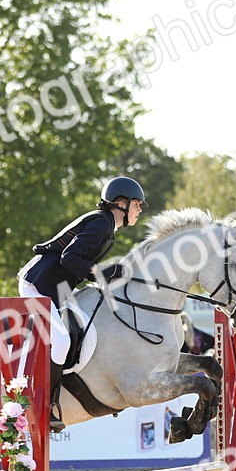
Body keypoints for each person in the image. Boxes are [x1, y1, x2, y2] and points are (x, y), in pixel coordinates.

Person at [19, 176, 145, 430]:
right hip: (38, 287)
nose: (140, 209)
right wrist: (102, 272)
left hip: (56, 289)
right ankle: (45, 405)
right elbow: (70, 258)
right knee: (62, 340)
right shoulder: (101, 224)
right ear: (121, 203)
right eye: (137, 204)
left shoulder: (106, 226)